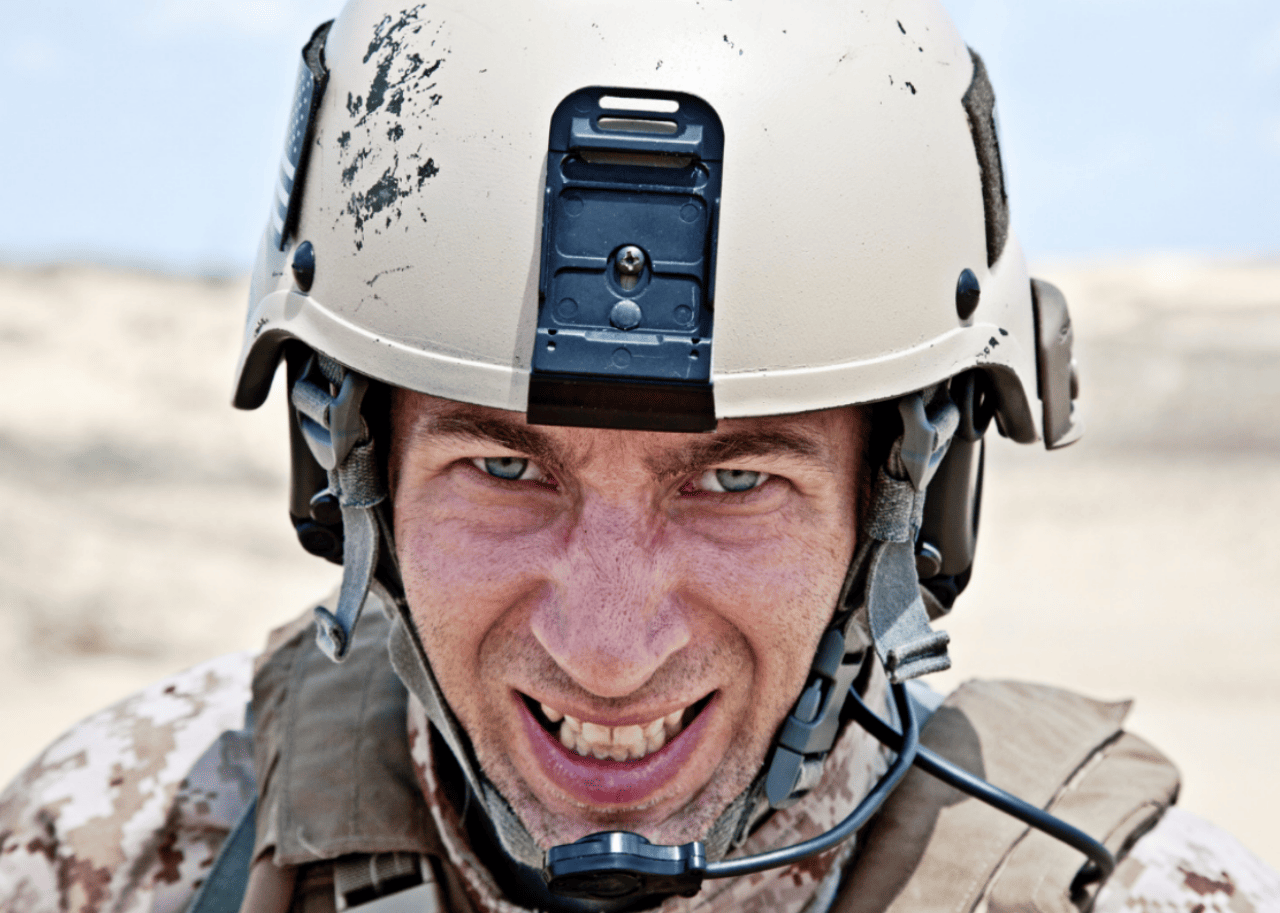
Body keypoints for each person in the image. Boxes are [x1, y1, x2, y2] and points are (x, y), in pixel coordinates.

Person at [2, 2, 1278, 911]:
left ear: (909, 504)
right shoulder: (122, 848)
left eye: (734, 482)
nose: (607, 652)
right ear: (349, 480)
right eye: (505, 471)